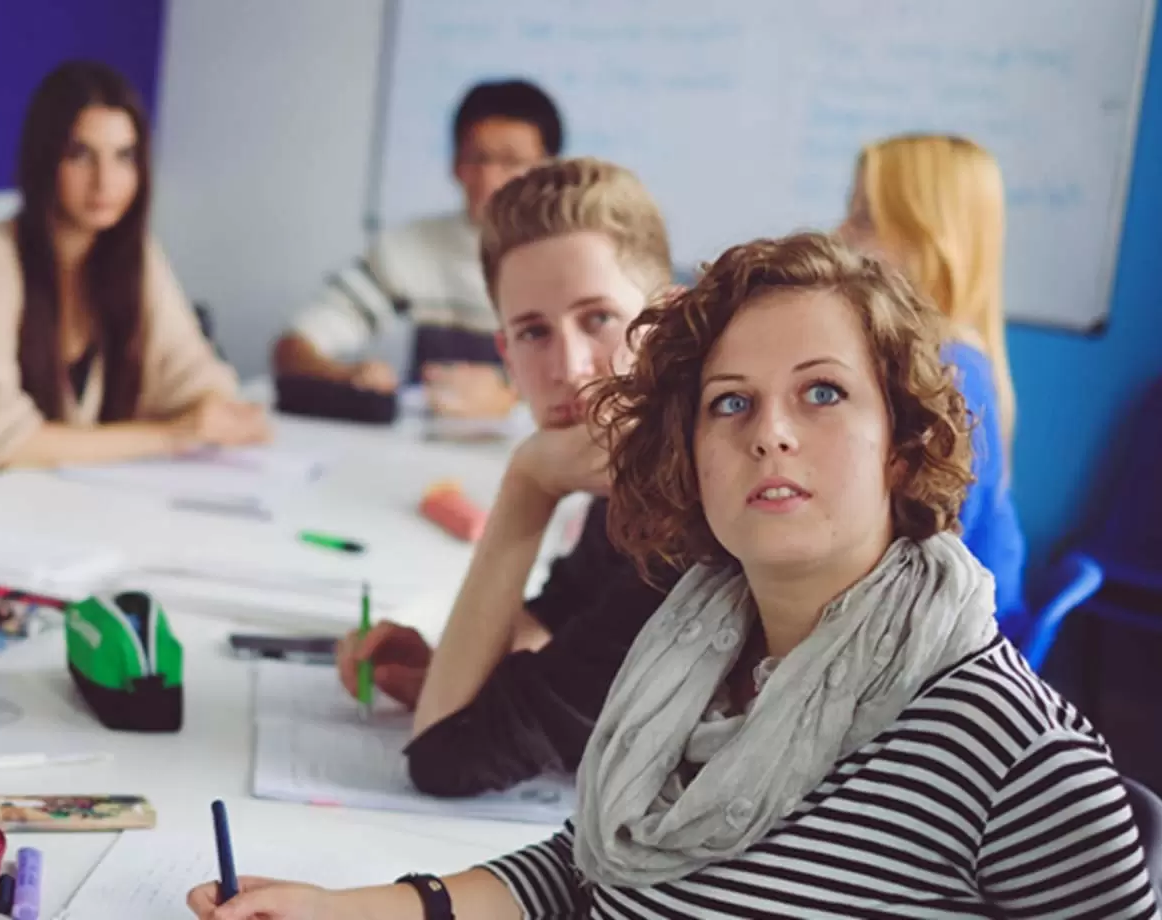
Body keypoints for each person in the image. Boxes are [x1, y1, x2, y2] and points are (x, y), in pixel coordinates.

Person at [188, 232, 1158, 919]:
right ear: (690, 454)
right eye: (729, 402)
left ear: (901, 446)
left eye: (823, 392)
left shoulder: (999, 739)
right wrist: (352, 908)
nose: (770, 430)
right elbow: (603, 867)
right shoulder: (694, 643)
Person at [333, 157, 678, 797]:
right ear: (505, 354)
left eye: (598, 318)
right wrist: (444, 666)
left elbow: (445, 757)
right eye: (533, 332)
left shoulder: (695, 532)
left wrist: (526, 485)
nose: (570, 367)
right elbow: (552, 625)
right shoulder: (629, 481)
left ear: (667, 318)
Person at [0, 61, 268, 491]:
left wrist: (211, 410)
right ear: (45, 159)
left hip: (59, 512)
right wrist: (171, 435)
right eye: (80, 155)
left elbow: (193, 377)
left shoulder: (135, 257)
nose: (105, 181)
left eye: (124, 157)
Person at [272, 79, 563, 419]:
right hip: (427, 451)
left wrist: (512, 395)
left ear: (550, 171)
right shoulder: (414, 248)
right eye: (476, 158)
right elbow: (293, 347)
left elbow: (613, 380)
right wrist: (346, 377)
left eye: (511, 162)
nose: (489, 178)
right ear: (454, 165)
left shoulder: (577, 260)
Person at [838, 133, 1026, 623]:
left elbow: (911, 563)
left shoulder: (953, 380)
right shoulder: (952, 359)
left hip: (951, 636)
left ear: (932, 242)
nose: (839, 233)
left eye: (864, 219)